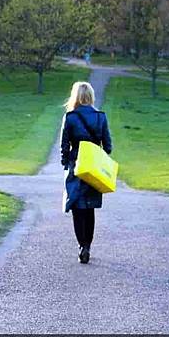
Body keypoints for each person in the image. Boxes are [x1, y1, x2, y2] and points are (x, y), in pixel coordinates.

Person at [60, 81, 112, 264]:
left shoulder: (70, 117)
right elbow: (109, 146)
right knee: (90, 208)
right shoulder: (101, 117)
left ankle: (81, 245)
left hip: (76, 166)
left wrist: (66, 163)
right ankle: (88, 246)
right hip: (94, 167)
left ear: (75, 96)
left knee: (76, 207)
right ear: (90, 96)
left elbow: (64, 146)